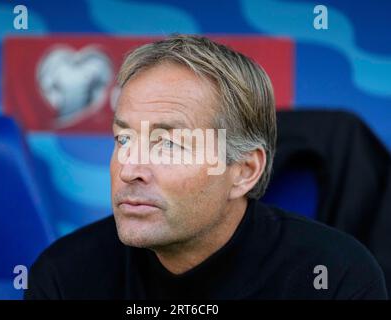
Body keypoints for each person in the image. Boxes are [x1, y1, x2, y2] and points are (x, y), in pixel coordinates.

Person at [25, 35, 387, 299]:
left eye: (168, 144)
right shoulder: (64, 277)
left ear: (245, 171)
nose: (128, 169)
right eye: (123, 139)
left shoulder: (335, 277)